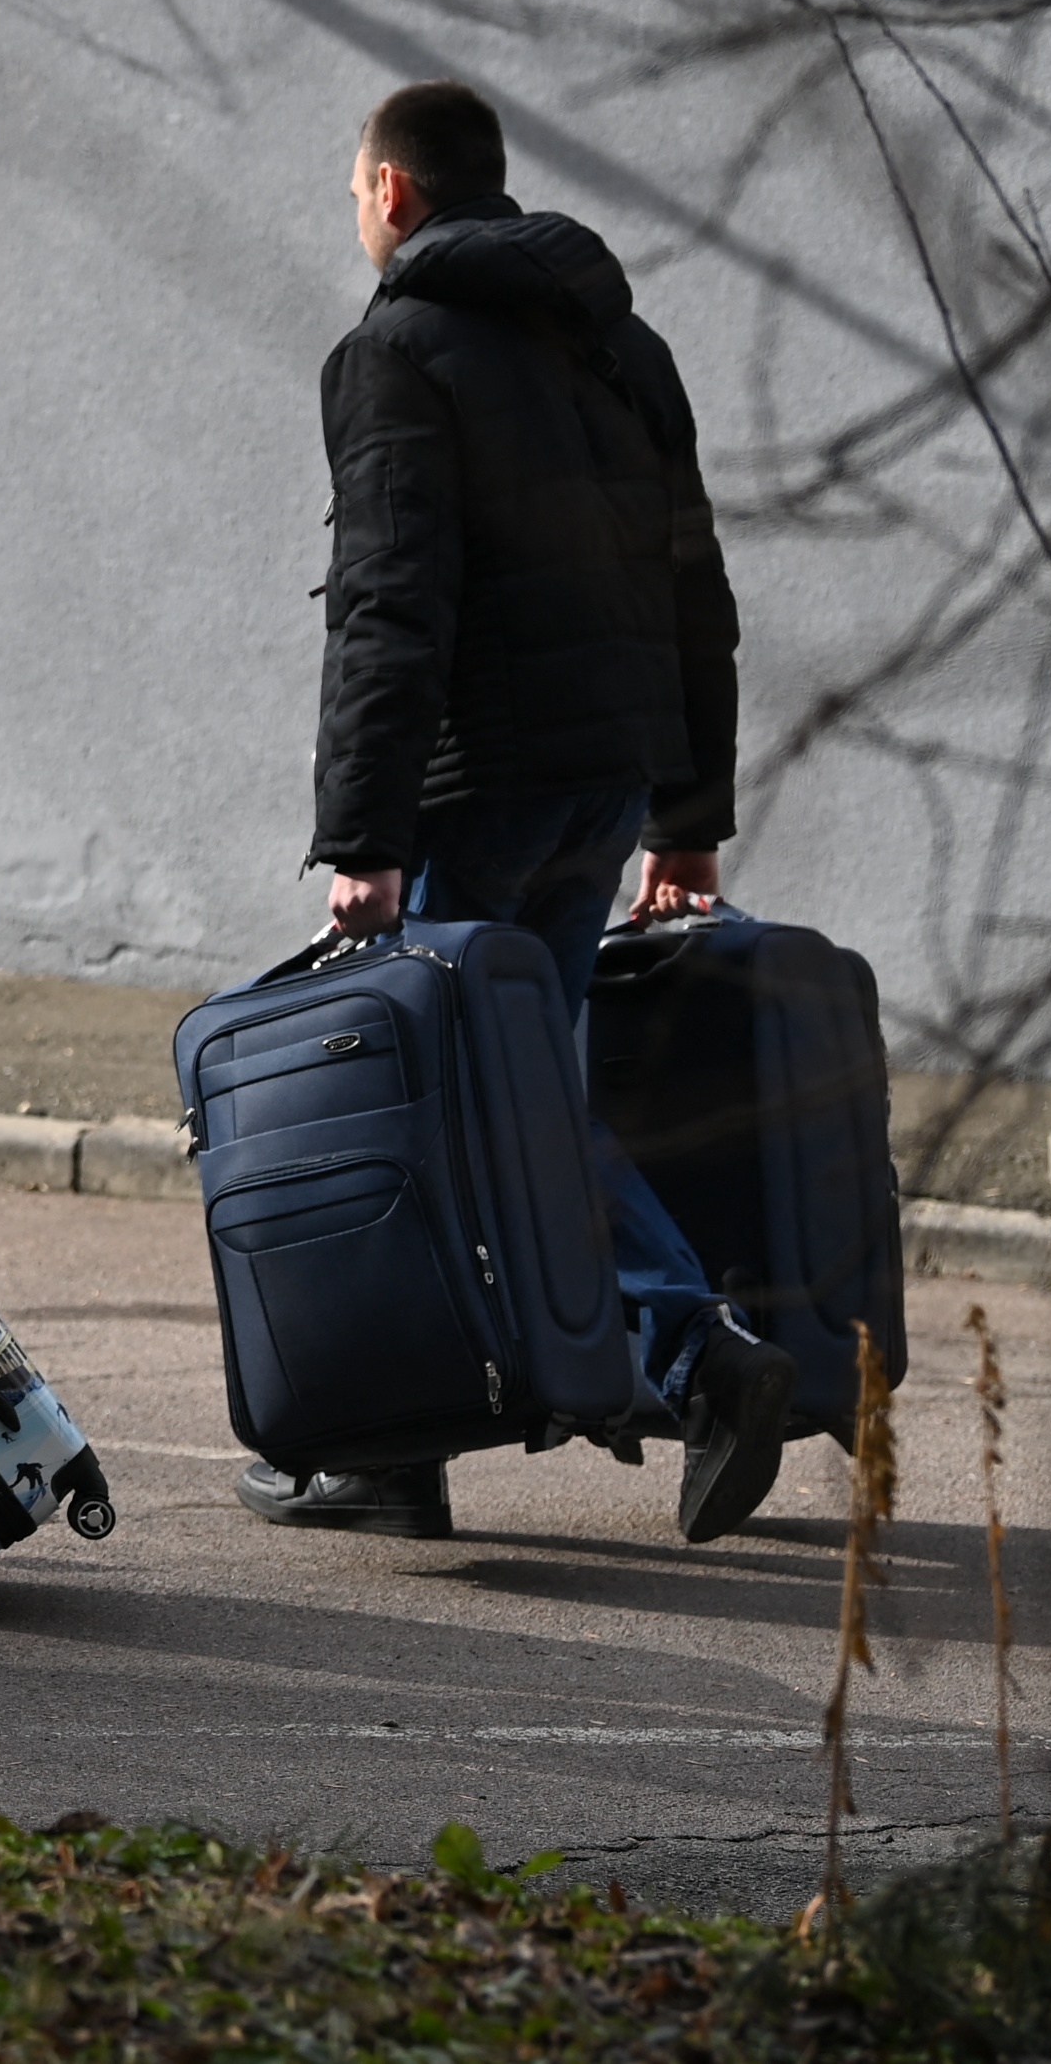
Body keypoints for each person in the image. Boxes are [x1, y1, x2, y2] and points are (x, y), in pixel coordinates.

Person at [239, 78, 798, 1549]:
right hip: (603, 778)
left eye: (355, 191)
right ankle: (400, 1444)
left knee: (460, 1106)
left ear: (392, 196)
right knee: (513, 1093)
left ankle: (680, 1354)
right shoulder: (623, 350)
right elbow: (693, 596)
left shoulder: (395, 352)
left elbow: (387, 604)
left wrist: (363, 836)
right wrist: (683, 813)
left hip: (471, 787)